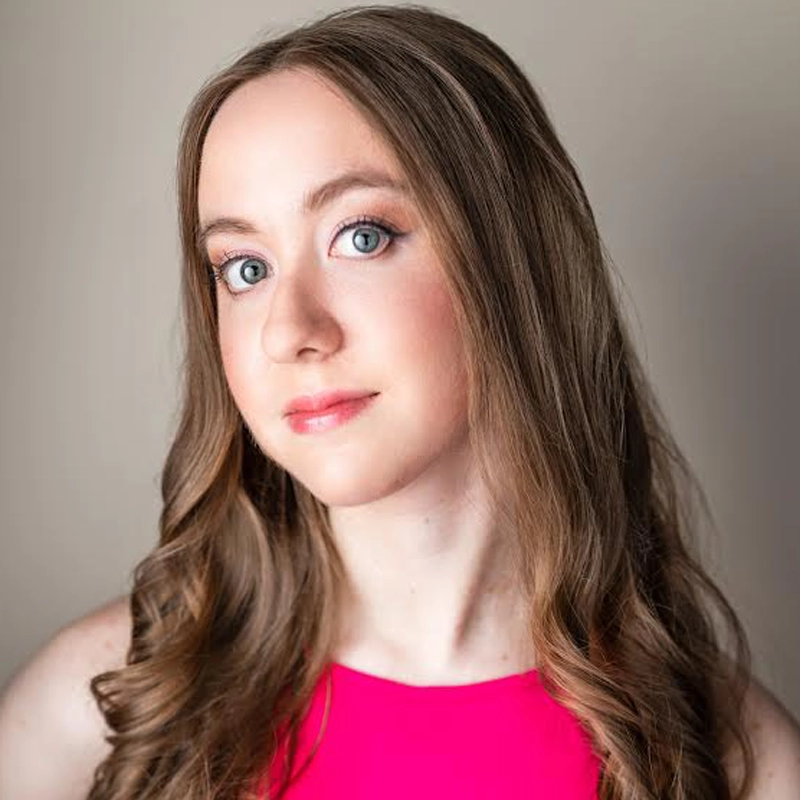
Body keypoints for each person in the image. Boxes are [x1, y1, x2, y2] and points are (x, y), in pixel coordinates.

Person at [1, 4, 799, 799]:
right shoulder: (99, 711)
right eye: (243, 267)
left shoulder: (733, 758)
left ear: (512, 260)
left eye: (362, 236)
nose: (290, 331)